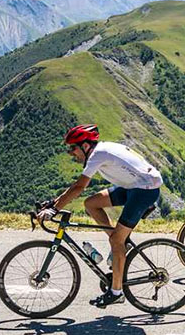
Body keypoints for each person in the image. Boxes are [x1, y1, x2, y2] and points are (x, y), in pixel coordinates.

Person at [40, 125, 163, 308]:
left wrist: (55, 209)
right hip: (133, 186)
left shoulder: (98, 154)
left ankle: (116, 292)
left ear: (85, 145)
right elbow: (78, 189)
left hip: (144, 191)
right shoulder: (99, 151)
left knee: (115, 241)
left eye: (73, 148)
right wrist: (53, 203)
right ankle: (122, 243)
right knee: (91, 204)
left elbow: (79, 187)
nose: (70, 153)